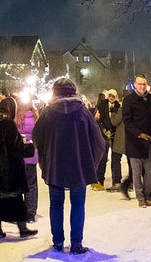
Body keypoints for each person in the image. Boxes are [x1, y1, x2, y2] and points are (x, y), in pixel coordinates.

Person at [32, 78, 106, 255]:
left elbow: (37, 137)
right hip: (79, 167)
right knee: (78, 204)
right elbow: (99, 142)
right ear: (74, 92)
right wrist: (90, 163)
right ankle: (76, 244)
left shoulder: (48, 113)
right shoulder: (83, 112)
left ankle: (58, 243)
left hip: (55, 166)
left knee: (56, 204)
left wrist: (46, 159)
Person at [0, 97, 38, 241]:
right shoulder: (8, 124)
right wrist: (30, 147)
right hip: (8, 171)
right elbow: (16, 148)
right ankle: (23, 229)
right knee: (16, 201)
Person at [122, 74, 151, 207]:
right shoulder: (129, 99)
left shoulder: (150, 98)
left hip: (149, 140)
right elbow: (127, 120)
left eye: (144, 84)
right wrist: (139, 134)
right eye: (139, 84)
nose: (142, 86)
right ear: (135, 84)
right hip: (134, 141)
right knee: (136, 173)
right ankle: (140, 197)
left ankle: (147, 195)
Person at [16, 99, 40, 221]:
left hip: (19, 156)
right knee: (31, 185)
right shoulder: (36, 117)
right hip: (32, 155)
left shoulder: (17, 118)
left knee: (19, 185)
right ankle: (30, 213)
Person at [96, 89, 122, 190]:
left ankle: (116, 181)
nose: (111, 98)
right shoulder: (102, 105)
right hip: (104, 134)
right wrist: (103, 130)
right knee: (103, 157)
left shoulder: (118, 107)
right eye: (110, 96)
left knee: (116, 159)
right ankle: (99, 180)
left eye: (113, 96)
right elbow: (99, 119)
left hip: (115, 135)